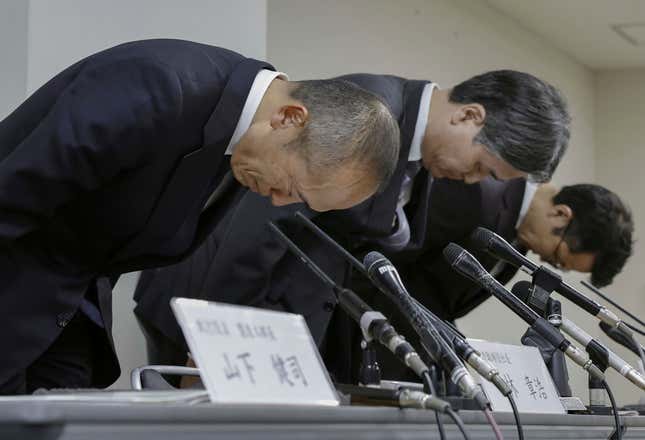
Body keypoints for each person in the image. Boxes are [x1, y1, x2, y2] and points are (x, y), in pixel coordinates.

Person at [0, 39, 402, 394]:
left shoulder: (238, 142)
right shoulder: (158, 84)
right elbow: (13, 196)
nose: (280, 202)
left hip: (64, 320)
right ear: (289, 119)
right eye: (293, 187)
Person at [134, 70, 572, 375]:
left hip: (272, 326)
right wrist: (215, 343)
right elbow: (258, 225)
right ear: (469, 116)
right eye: (482, 167)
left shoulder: (422, 159)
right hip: (210, 307)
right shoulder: (368, 109)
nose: (474, 181)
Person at [332, 178, 634, 383]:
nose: (547, 262)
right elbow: (388, 261)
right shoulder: (476, 190)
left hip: (413, 360)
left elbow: (439, 302)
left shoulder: (519, 244)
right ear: (561, 214)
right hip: (356, 334)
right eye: (557, 256)